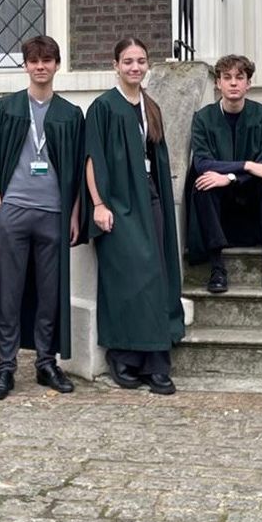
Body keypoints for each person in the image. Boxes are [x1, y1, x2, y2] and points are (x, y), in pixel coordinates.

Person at [0, 35, 85, 401]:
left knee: (50, 294)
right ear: (26, 65)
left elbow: (78, 169)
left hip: (54, 215)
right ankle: (5, 367)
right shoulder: (6, 108)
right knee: (9, 293)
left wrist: (75, 214)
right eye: (34, 60)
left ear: (57, 65)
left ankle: (47, 363)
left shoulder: (70, 114)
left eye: (47, 60)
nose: (41, 66)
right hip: (13, 213)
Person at [85, 37, 184, 395]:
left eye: (141, 61)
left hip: (150, 197)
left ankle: (157, 362)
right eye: (128, 61)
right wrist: (98, 204)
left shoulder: (151, 106)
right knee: (126, 279)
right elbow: (92, 158)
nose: (135, 67)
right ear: (116, 65)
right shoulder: (103, 108)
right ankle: (123, 357)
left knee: (155, 275)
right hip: (117, 203)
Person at [185, 54, 262, 294]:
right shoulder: (203, 118)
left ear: (248, 83)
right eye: (227, 78)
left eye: (239, 77)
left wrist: (231, 177)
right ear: (218, 83)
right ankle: (216, 268)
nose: (233, 83)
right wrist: (247, 165)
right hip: (222, 209)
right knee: (203, 184)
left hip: (253, 203)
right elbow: (202, 163)